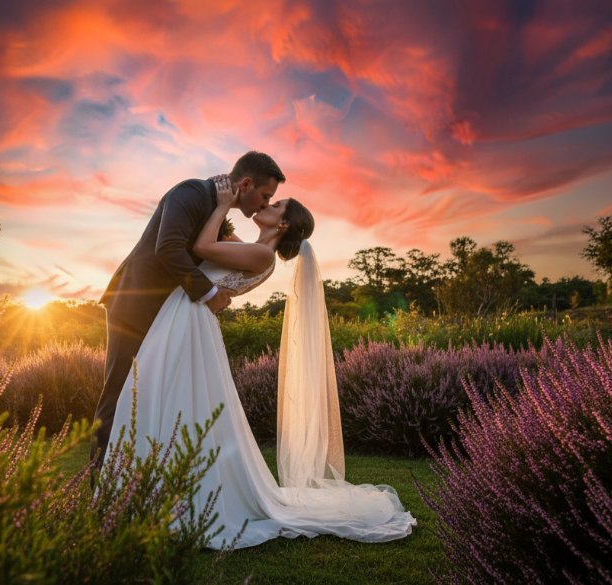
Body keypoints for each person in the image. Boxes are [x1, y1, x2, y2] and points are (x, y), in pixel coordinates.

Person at [103, 176, 417, 548]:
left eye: (274, 204)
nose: (267, 205)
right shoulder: (252, 249)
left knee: (169, 397)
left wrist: (221, 203)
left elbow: (203, 245)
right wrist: (221, 211)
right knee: (169, 399)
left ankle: (173, 495)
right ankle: (153, 489)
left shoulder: (262, 256)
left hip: (188, 321)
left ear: (282, 224)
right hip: (184, 317)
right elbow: (208, 245)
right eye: (269, 198)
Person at [93, 152, 286, 466]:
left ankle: (137, 477)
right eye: (265, 197)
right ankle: (99, 482)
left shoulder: (217, 213)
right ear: (246, 183)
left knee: (154, 396)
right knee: (118, 391)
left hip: (168, 314)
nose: (264, 204)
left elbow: (229, 254)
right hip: (134, 303)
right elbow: (167, 247)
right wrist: (209, 293)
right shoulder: (192, 192)